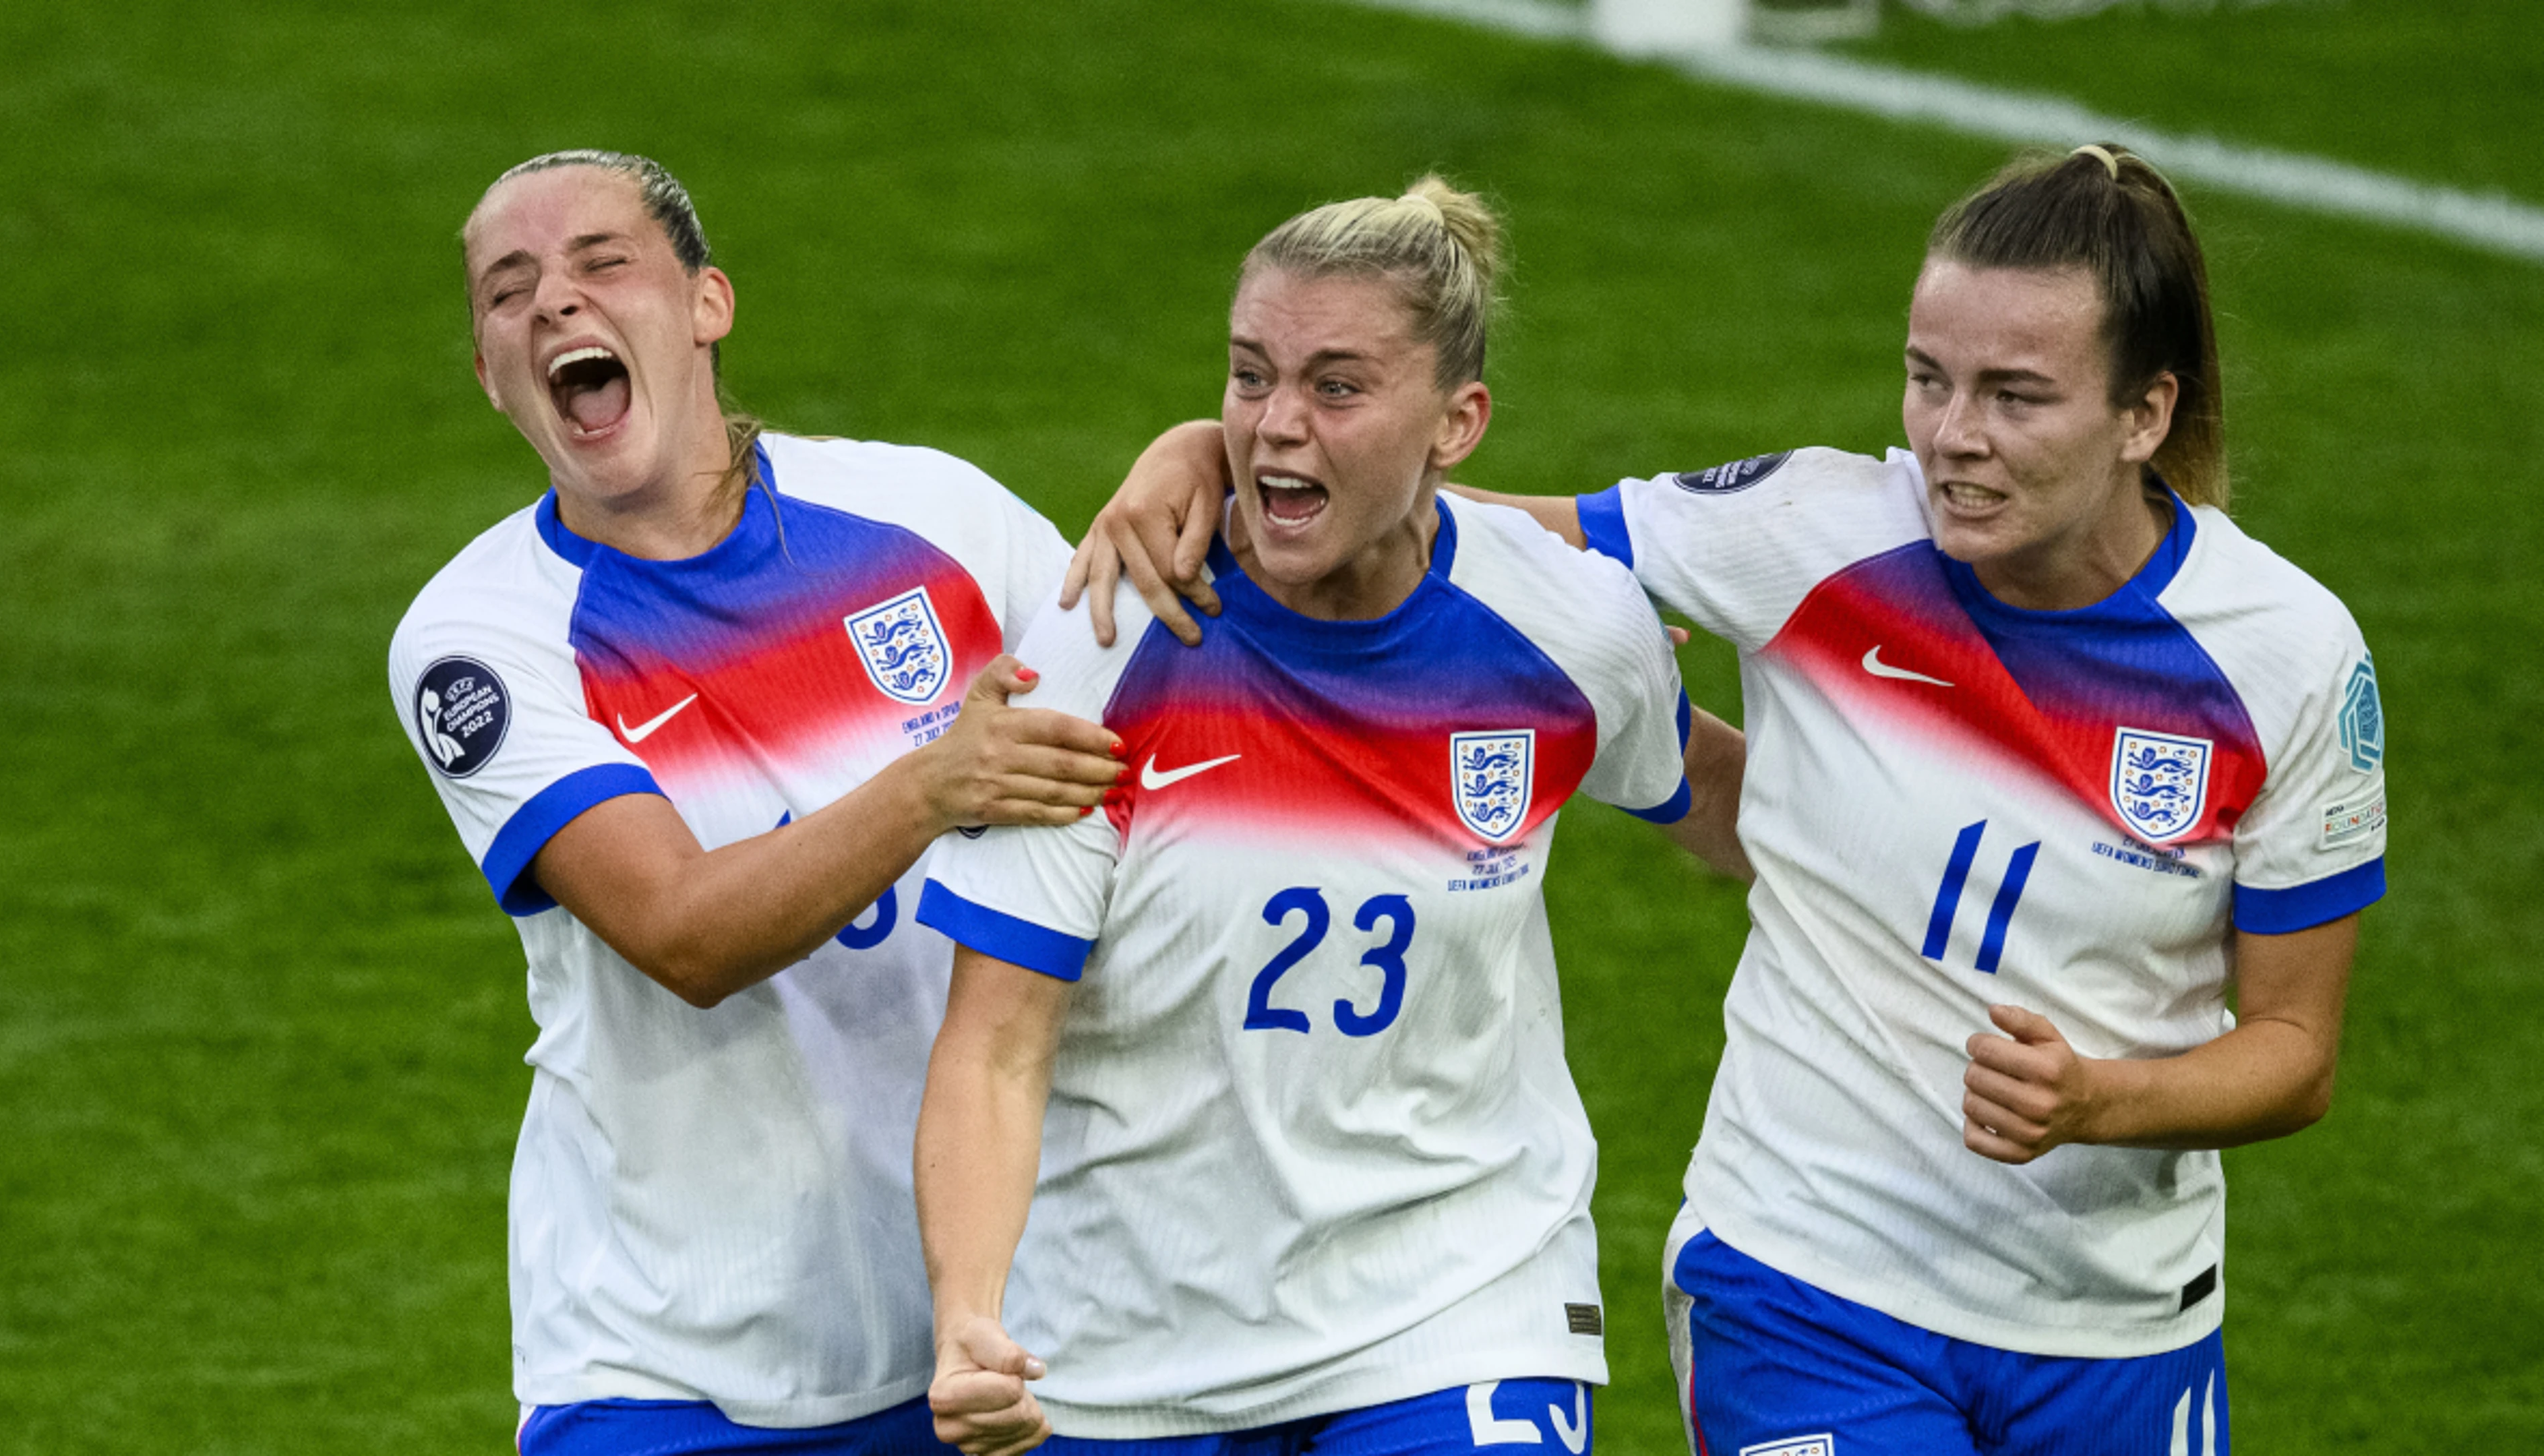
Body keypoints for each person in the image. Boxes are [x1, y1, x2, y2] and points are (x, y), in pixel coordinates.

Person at [1074, 145, 2387, 1455]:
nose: (1952, 439)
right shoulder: (1818, 530)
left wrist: (2105, 1101)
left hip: (2116, 1325)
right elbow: (1435, 519)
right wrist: (1213, 450)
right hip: (1804, 1287)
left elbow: (2295, 1053)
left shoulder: (2284, 659)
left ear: (2145, 412)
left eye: (2017, 396)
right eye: (1929, 380)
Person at [907, 177, 1739, 1456]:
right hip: (1132, 1351)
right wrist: (968, 1310)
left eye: (1337, 388)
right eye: (1250, 379)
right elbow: (996, 1044)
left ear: (1459, 422)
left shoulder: (1569, 628)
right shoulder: (1109, 644)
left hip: (1459, 1312)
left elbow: (1733, 814)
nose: (1276, 428)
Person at [388, 150, 1124, 1455]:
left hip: (975, 1334)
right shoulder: (482, 636)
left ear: (708, 304)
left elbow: (1148, 707)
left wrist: (1186, 463)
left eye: (602, 262)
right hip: (662, 1369)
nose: (555, 302)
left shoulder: (932, 516)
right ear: (493, 379)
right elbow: (684, 934)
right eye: (508, 294)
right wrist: (934, 786)